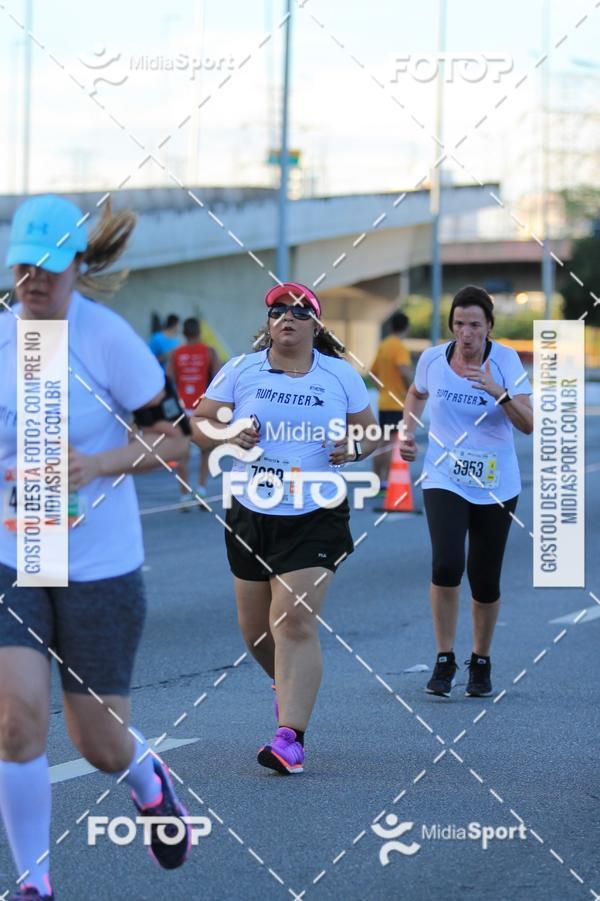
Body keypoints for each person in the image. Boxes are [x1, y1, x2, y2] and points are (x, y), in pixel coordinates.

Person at [0, 195, 192, 900]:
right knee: (16, 720)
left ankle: (148, 782)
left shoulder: (108, 338)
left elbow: (173, 437)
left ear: (78, 266)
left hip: (98, 561)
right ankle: (33, 882)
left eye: (50, 268)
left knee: (99, 742)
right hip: (14, 554)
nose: (36, 281)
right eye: (24, 267)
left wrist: (98, 463)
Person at [192, 282, 379, 774]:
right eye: (279, 310)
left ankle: (290, 738)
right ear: (269, 322)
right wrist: (230, 432)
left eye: (300, 311)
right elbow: (200, 423)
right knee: (255, 632)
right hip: (252, 510)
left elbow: (370, 433)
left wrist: (354, 450)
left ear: (316, 325)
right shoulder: (242, 368)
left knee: (293, 621)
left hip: (316, 513)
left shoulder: (339, 375)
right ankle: (286, 682)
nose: (288, 317)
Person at [400, 285, 533, 698]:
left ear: (489, 327)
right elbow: (416, 393)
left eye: (475, 325)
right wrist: (406, 431)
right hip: (445, 477)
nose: (467, 333)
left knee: (484, 578)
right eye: (459, 324)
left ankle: (481, 659)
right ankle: (444, 658)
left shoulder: (507, 362)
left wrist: (499, 392)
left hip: (496, 484)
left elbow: (528, 423)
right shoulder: (433, 360)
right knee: (446, 564)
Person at [167, 317, 221, 507]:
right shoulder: (209, 352)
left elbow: (167, 381)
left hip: (181, 409)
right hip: (201, 409)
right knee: (206, 448)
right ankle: (202, 489)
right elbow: (219, 379)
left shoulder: (175, 353)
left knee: (182, 451)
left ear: (184, 333)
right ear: (199, 332)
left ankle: (183, 495)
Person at [370, 311, 412, 490]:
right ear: (406, 328)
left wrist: (383, 389)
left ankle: (378, 480)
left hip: (384, 402)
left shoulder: (384, 345)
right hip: (398, 403)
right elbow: (404, 370)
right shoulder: (399, 347)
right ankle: (385, 481)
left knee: (382, 442)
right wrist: (412, 390)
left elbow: (373, 373)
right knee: (392, 443)